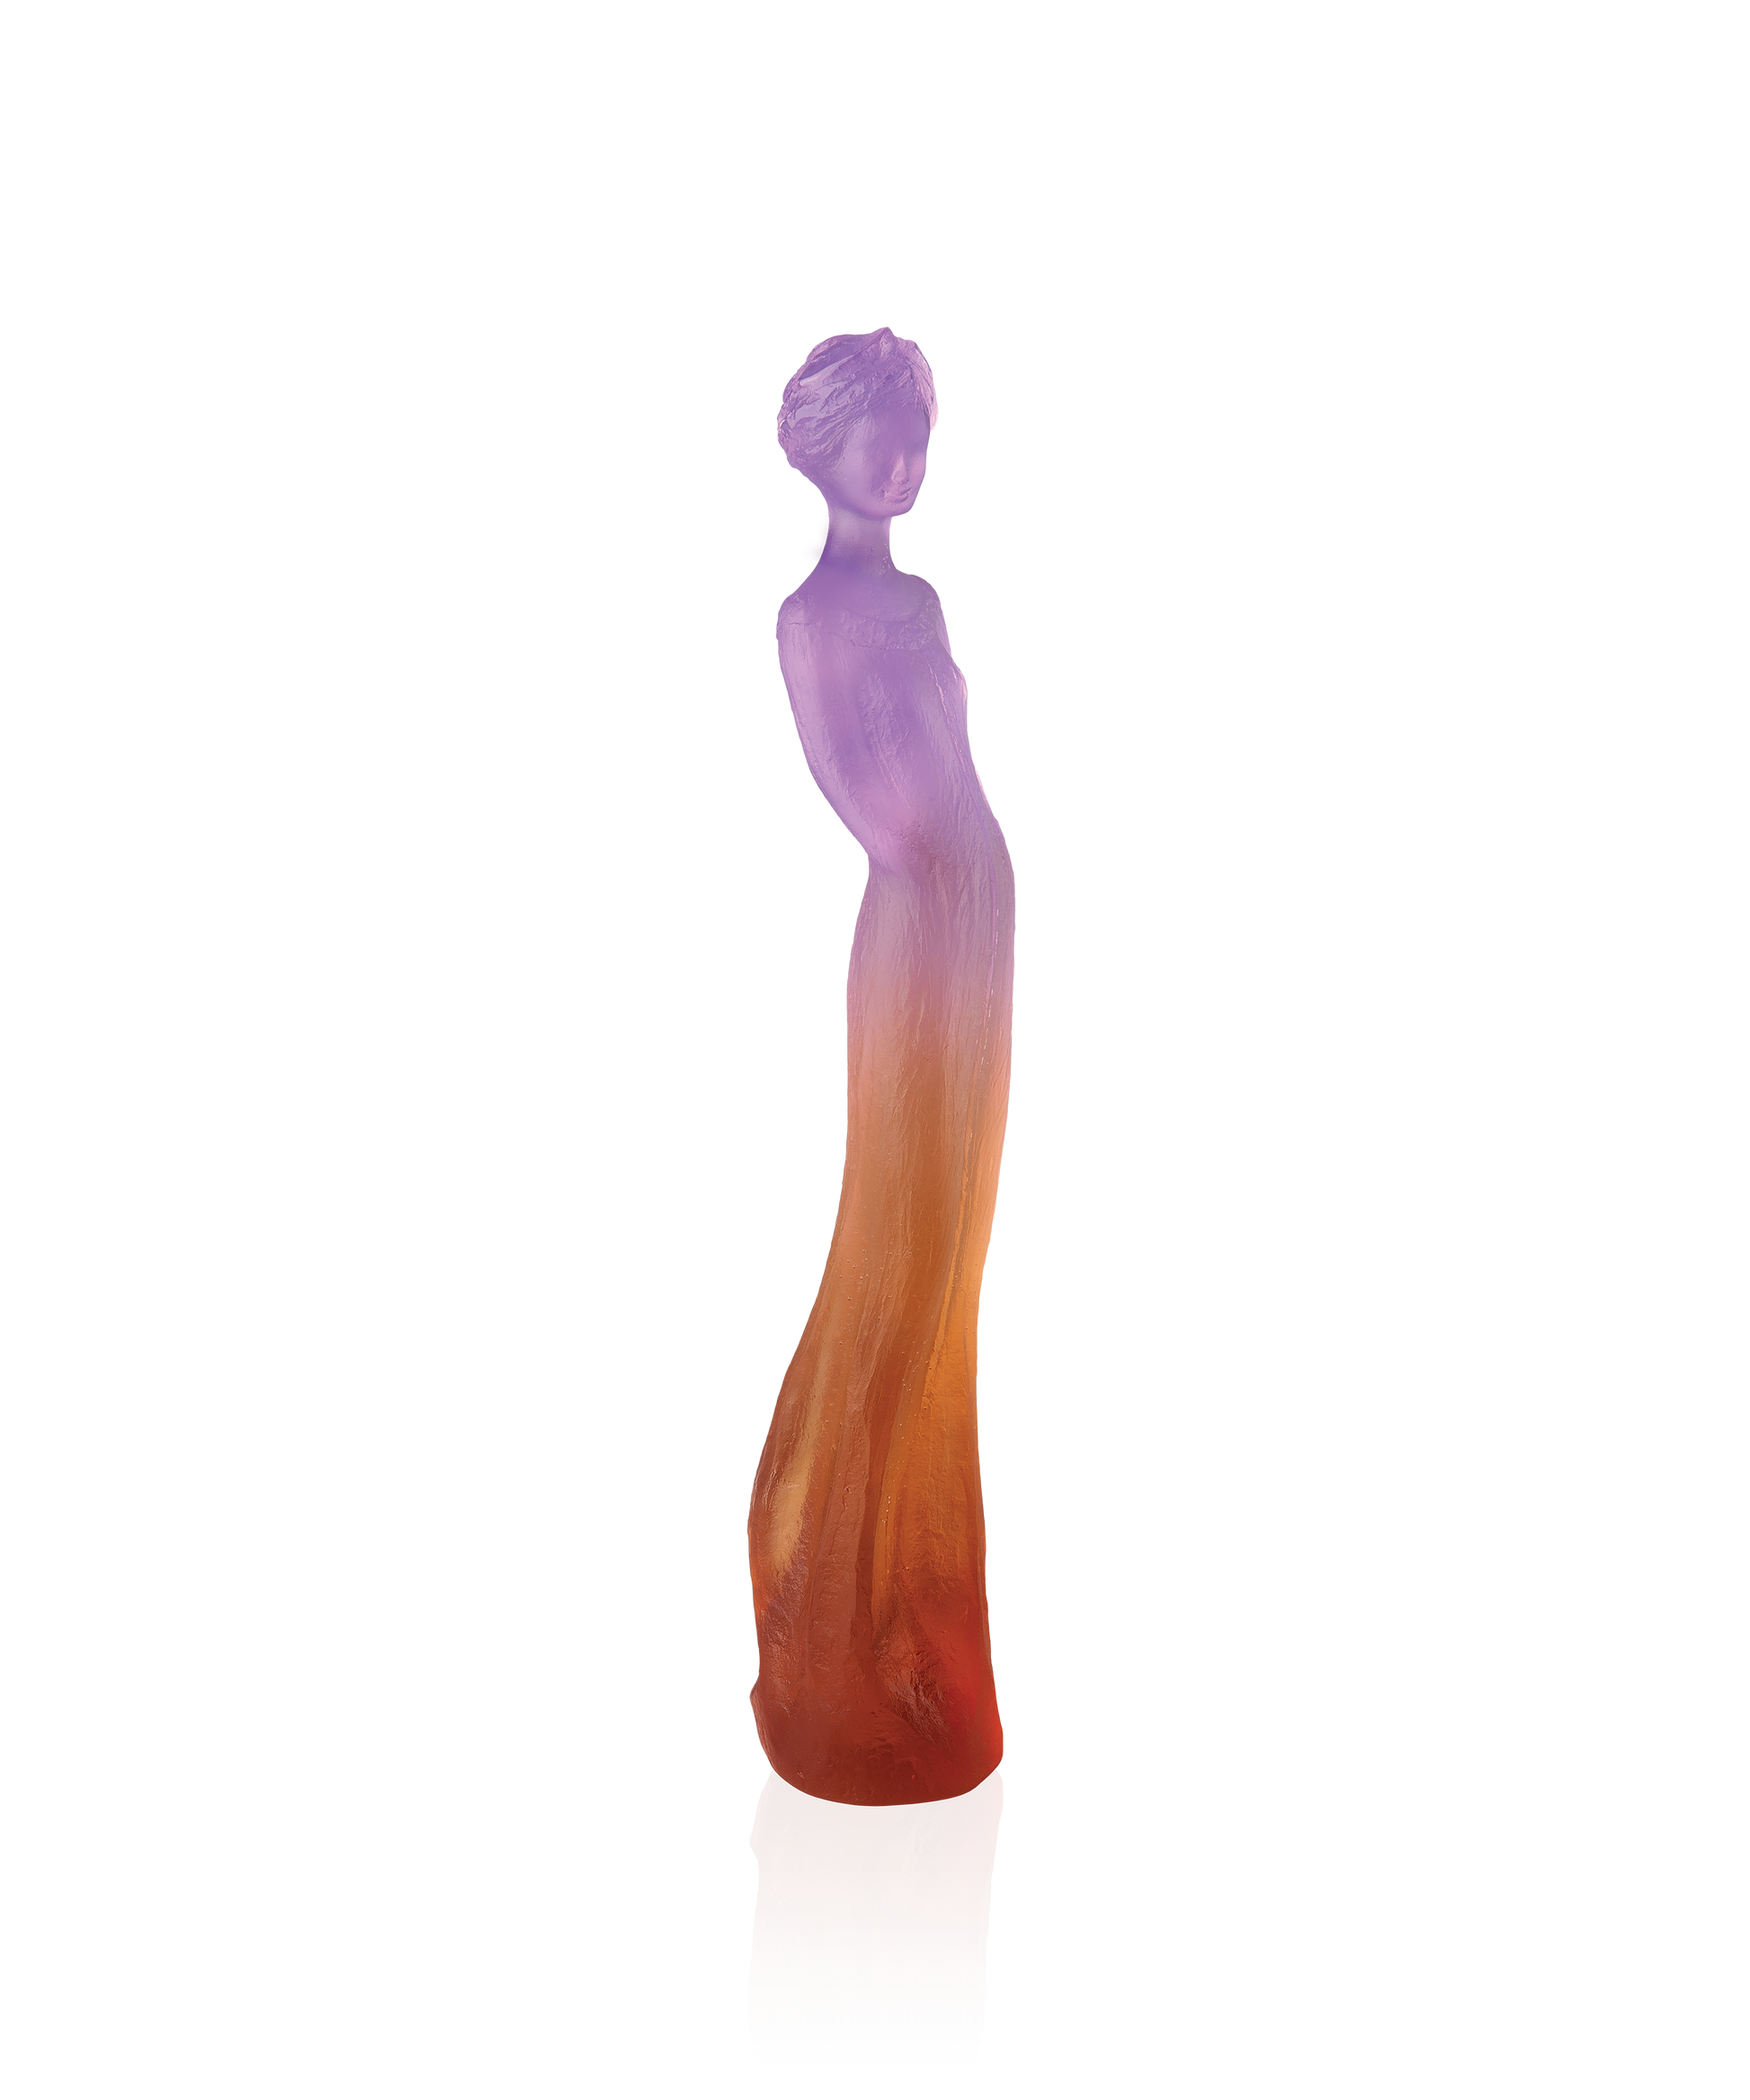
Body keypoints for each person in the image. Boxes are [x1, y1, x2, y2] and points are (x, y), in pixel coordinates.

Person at [746, 326, 1017, 1808]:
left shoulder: (917, 594)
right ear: (820, 442)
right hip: (918, 914)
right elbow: (858, 783)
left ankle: (914, 1627)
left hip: (967, 915)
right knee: (896, 1251)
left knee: (948, 1270)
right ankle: (840, 1614)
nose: (904, 459)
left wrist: (968, 873)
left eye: (919, 432)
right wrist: (935, 868)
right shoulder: (816, 613)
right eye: (880, 430)